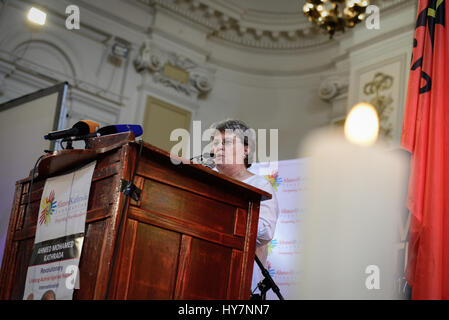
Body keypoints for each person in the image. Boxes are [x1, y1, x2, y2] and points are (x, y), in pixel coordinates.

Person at [209, 119, 279, 296]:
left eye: (227, 142)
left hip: (238, 282)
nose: (219, 147)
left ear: (246, 150)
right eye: (216, 143)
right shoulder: (206, 180)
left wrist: (225, 216)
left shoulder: (259, 186)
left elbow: (264, 232)